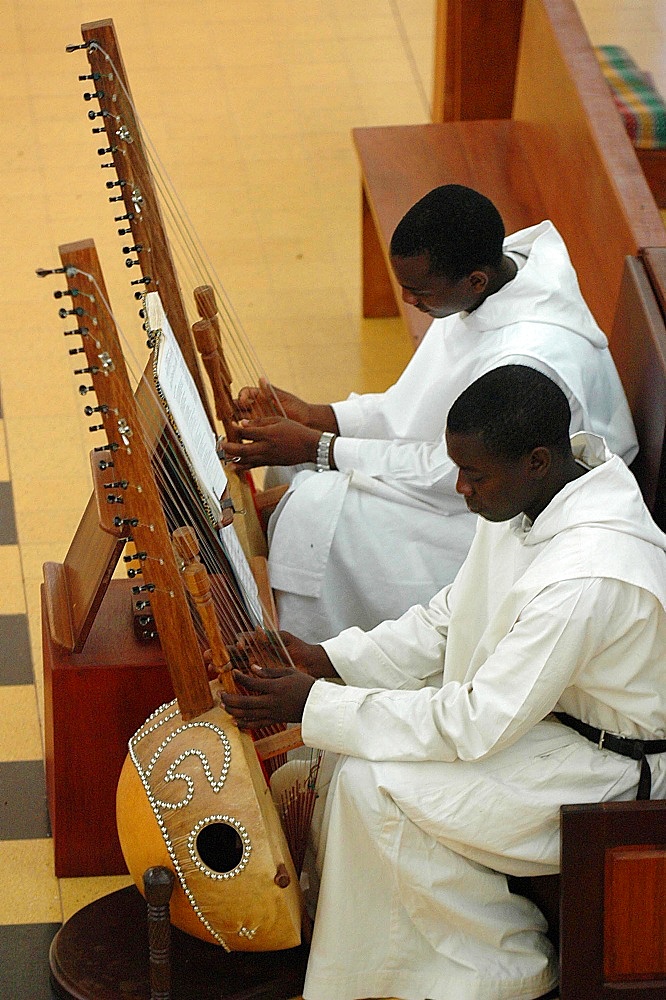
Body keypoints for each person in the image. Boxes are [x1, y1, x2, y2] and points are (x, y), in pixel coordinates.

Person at [220, 366, 666, 1000]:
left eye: (472, 474)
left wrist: (315, 703)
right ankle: (399, 976)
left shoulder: (585, 576)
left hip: (612, 772)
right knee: (360, 769)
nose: (460, 488)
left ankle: (501, 970)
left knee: (379, 785)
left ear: (536, 461)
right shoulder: (529, 500)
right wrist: (327, 660)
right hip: (552, 730)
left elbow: (475, 721)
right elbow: (446, 620)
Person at [221, 185, 638, 643]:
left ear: (474, 281)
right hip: (473, 480)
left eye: (418, 292)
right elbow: (412, 407)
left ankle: (311, 658)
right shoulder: (489, 286)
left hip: (512, 513)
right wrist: (320, 417)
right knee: (296, 464)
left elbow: (456, 475)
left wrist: (321, 448)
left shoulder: (528, 356)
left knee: (315, 511)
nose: (408, 302)